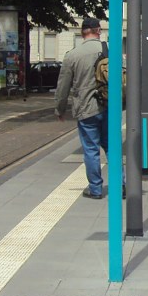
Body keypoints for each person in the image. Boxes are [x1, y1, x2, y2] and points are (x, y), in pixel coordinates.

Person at [54, 17, 124, 200]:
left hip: (86, 108)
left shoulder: (72, 55)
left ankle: (95, 189)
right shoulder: (109, 51)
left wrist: (59, 109)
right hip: (109, 106)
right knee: (112, 147)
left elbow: (63, 86)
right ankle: (121, 184)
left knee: (91, 149)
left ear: (82, 32)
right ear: (98, 31)